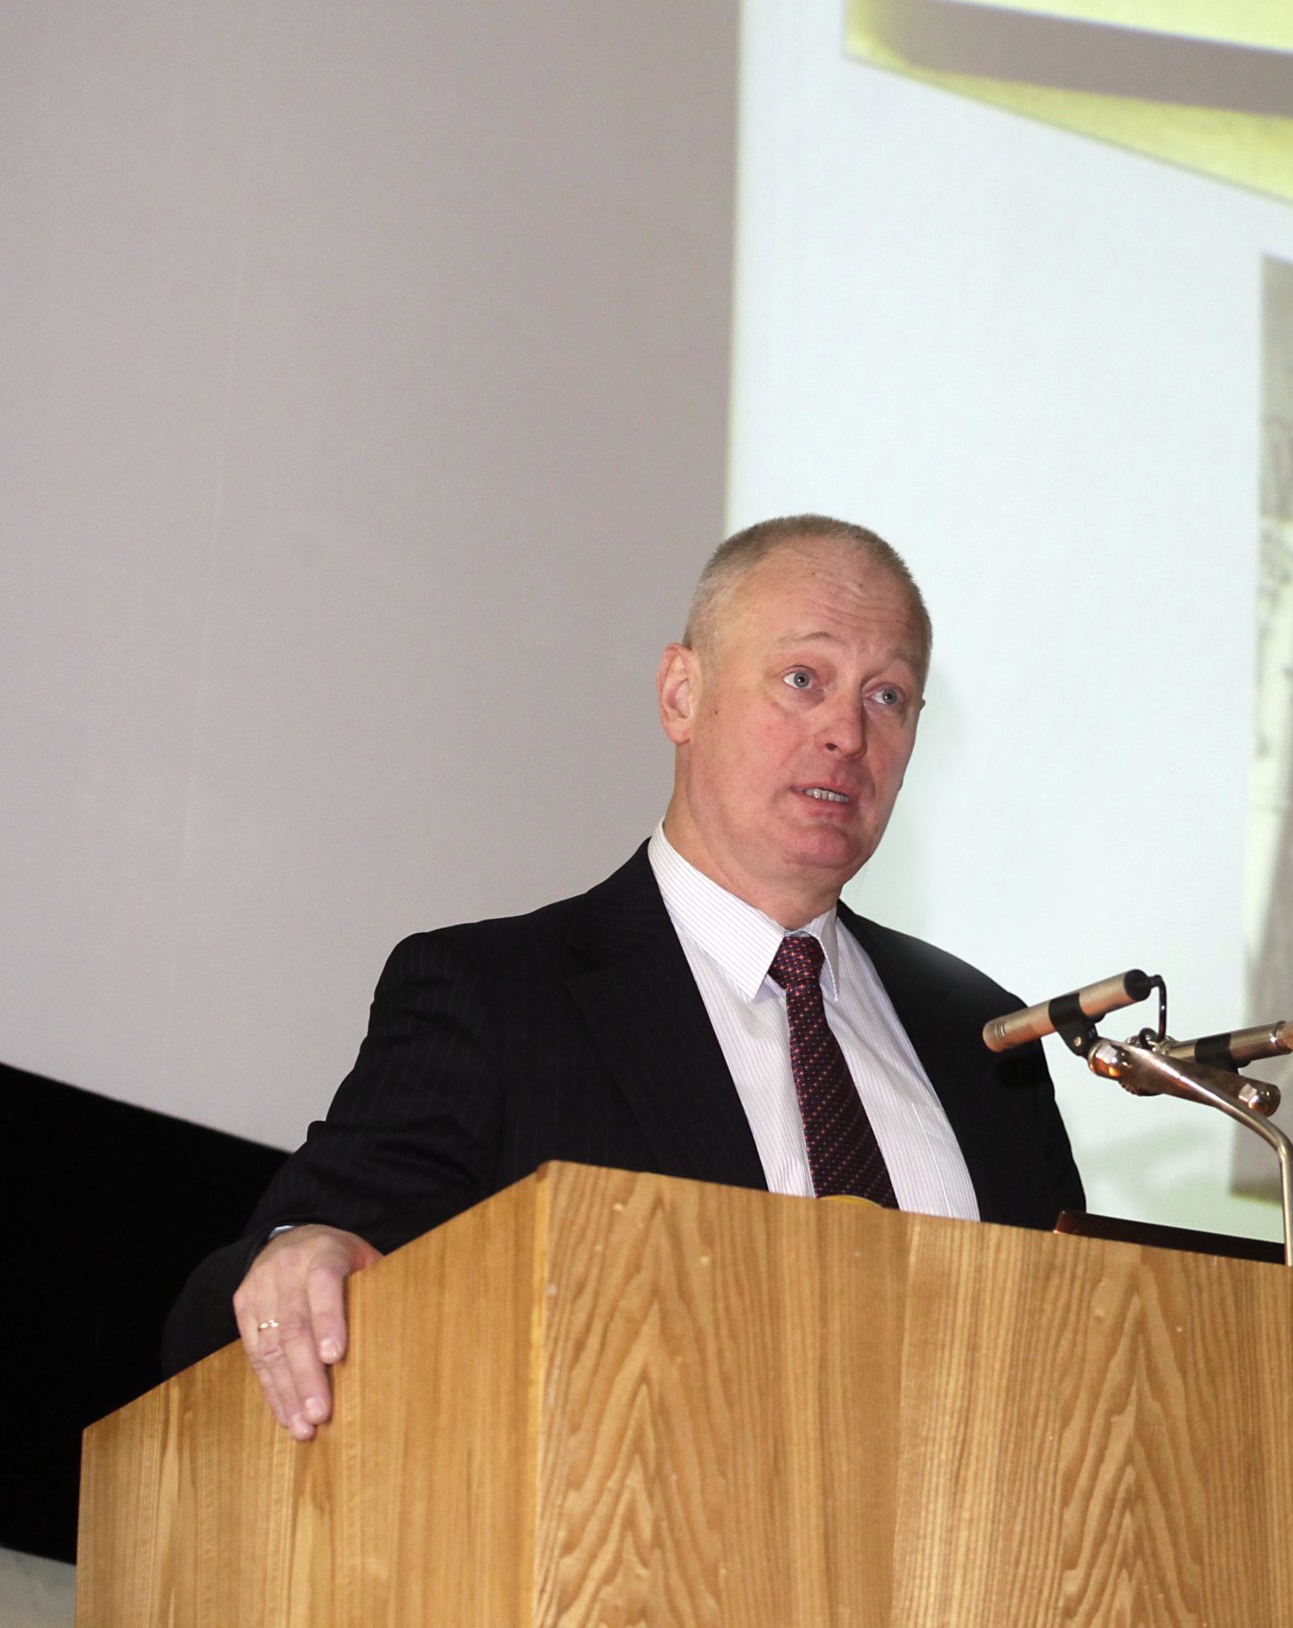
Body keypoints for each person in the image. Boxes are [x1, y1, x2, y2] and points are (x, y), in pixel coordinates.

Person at [162, 515, 1084, 1438]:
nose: (847, 731)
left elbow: (1080, 1366)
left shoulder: (982, 1035)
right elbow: (260, 1290)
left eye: (888, 696)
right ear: (682, 695)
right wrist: (300, 1254)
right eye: (803, 679)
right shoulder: (496, 998)